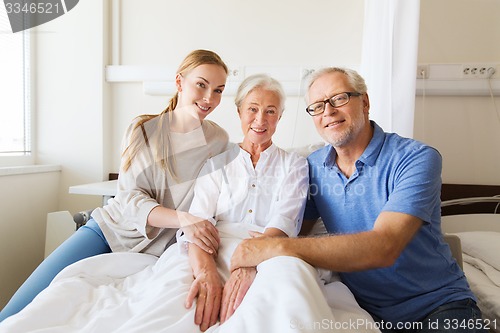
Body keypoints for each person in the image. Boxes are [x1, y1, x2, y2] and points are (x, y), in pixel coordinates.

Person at [230, 67, 487, 333]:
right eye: (317, 106)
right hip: (362, 313)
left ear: (365, 102)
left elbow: (385, 246)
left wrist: (275, 248)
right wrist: (255, 263)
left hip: (437, 308)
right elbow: (290, 228)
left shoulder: (416, 158)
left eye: (339, 98)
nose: (328, 111)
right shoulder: (312, 167)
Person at [0, 49, 231, 322]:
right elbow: (130, 199)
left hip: (157, 250)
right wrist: (184, 219)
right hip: (108, 231)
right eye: (201, 85)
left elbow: (216, 194)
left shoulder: (218, 140)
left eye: (218, 90)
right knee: (20, 308)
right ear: (180, 82)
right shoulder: (144, 129)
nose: (209, 98)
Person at [181, 73, 309, 331]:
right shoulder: (215, 164)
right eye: (253, 109)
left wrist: (250, 261)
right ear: (239, 111)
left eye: (271, 111)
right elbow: (198, 224)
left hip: (271, 253)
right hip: (212, 250)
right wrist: (206, 272)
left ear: (280, 118)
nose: (261, 120)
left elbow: (283, 223)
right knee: (182, 308)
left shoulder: (295, 165)